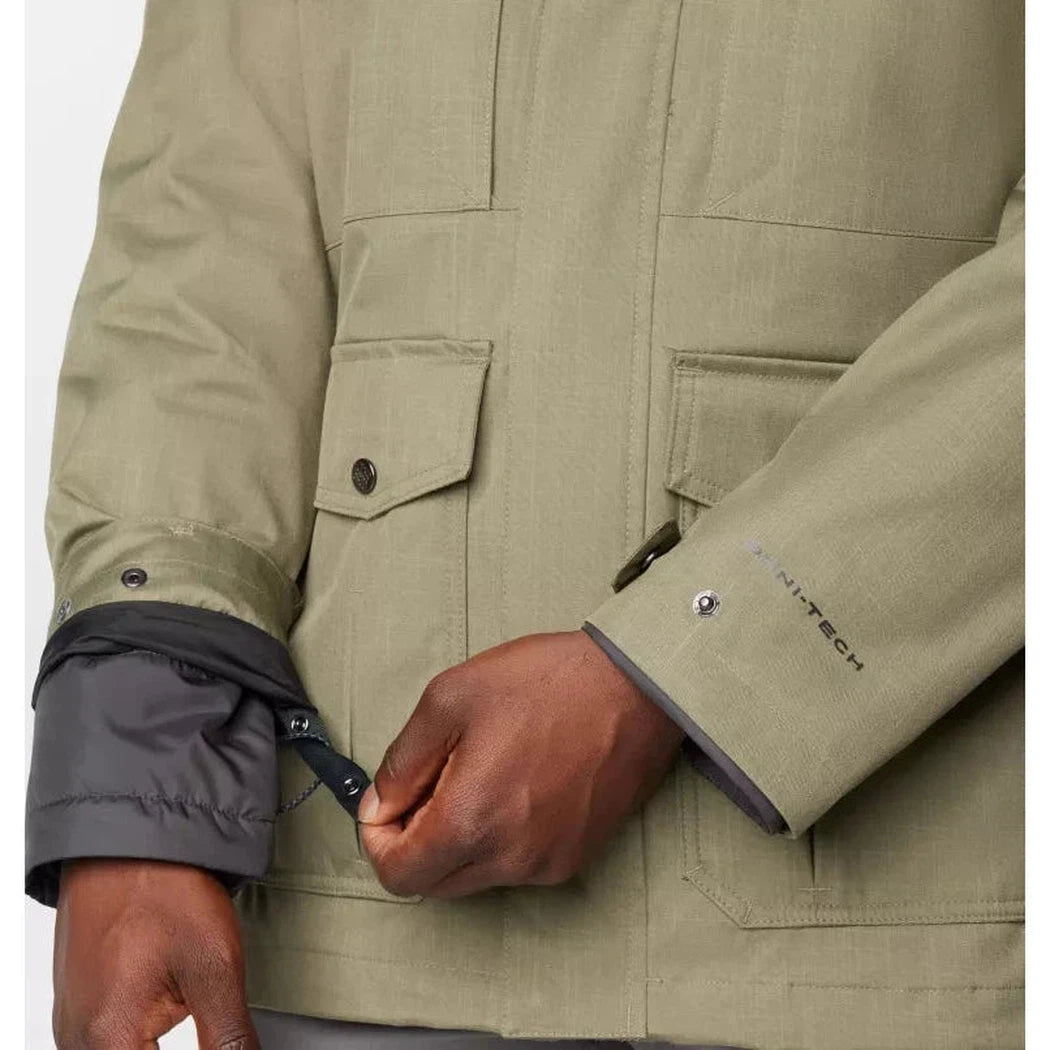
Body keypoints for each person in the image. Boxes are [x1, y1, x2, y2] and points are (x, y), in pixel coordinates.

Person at [27, 2, 1024, 1048]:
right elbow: (203, 256)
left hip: (878, 959)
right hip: (356, 954)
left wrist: (692, 663)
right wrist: (143, 791)